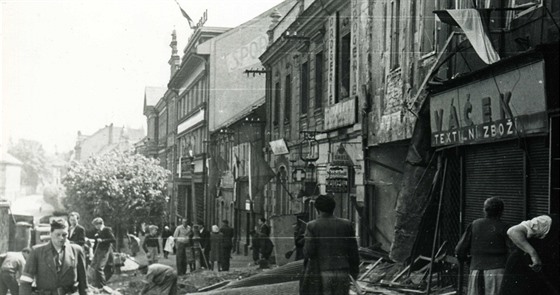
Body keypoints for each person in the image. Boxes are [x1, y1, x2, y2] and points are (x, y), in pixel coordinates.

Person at [300, 194, 359, 295]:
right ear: (333, 208)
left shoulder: (312, 226)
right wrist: (354, 272)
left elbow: (308, 252)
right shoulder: (347, 224)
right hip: (343, 271)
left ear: (317, 209)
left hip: (323, 272)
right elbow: (353, 251)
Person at [455, 197, 509, 295]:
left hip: (476, 271)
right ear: (501, 211)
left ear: (485, 210)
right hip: (497, 272)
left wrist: (469, 261)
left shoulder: (475, 224)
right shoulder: (505, 227)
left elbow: (459, 250)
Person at [20, 218, 88, 295]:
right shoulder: (37, 251)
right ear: (51, 234)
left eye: (64, 235)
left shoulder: (76, 251)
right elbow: (25, 282)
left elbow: (83, 283)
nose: (61, 238)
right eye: (58, 234)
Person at [499, 214, 559, 295]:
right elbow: (513, 231)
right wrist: (533, 254)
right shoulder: (547, 221)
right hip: (523, 268)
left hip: (542, 275)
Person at [90, 217, 116, 288]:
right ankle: (97, 284)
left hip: (105, 250)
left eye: (96, 225)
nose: (95, 227)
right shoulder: (99, 231)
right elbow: (96, 243)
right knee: (95, 267)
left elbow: (113, 239)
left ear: (100, 224)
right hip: (99, 251)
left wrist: (102, 240)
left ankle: (103, 285)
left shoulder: (107, 229)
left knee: (99, 268)